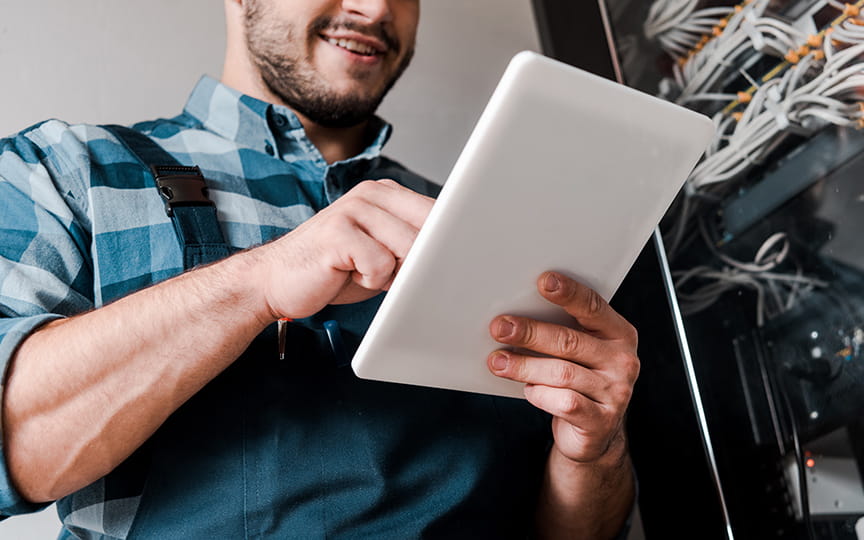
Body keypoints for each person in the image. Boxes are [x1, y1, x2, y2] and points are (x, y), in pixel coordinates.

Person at [0, 0, 639, 538]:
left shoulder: (484, 224)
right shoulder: (68, 169)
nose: (377, 8)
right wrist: (254, 283)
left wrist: (595, 452)